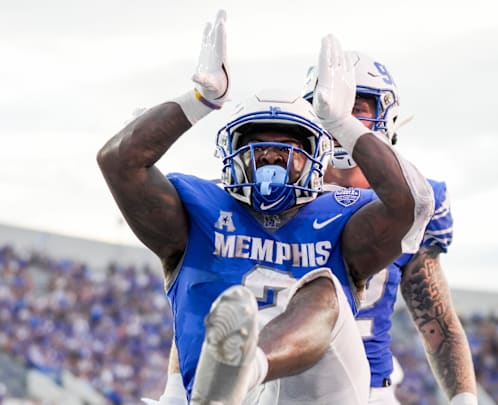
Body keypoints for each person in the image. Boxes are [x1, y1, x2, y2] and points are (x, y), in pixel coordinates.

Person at [98, 10, 434, 405]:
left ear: (317, 156)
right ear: (231, 154)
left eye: (288, 146)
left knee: (324, 289)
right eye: (257, 143)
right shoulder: (196, 210)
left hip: (313, 394)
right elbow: (118, 161)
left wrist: (342, 123)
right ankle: (230, 378)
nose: (272, 155)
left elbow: (415, 205)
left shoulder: (341, 216)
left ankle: (242, 367)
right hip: (213, 398)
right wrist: (199, 100)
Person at [302, 51, 478, 405]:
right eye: (332, 104)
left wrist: (463, 399)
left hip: (370, 391)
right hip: (282, 387)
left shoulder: (414, 201)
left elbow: (438, 326)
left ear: (388, 115)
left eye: (357, 108)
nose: (340, 118)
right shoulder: (279, 196)